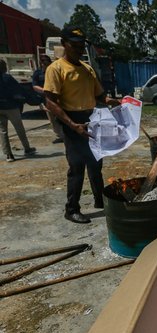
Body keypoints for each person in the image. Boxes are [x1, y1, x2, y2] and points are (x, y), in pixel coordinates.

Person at [44, 26, 119, 224]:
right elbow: (50, 101)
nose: (78, 49)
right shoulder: (56, 69)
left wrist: (114, 102)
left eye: (81, 45)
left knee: (96, 164)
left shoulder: (87, 69)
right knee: (77, 167)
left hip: (92, 120)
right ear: (64, 44)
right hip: (71, 121)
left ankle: (99, 200)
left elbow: (100, 95)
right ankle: (72, 209)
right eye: (74, 45)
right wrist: (71, 124)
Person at [0, 59, 36, 162]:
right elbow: (18, 89)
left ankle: (8, 155)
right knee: (19, 128)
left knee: (3, 131)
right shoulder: (7, 77)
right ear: (3, 67)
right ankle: (27, 149)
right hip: (10, 107)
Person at [32, 54, 63, 143]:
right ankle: (59, 135)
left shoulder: (55, 71)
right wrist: (45, 90)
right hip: (46, 99)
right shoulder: (38, 73)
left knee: (61, 117)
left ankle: (65, 134)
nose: (44, 65)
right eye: (43, 63)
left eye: (46, 62)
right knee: (52, 119)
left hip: (57, 98)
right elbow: (34, 86)